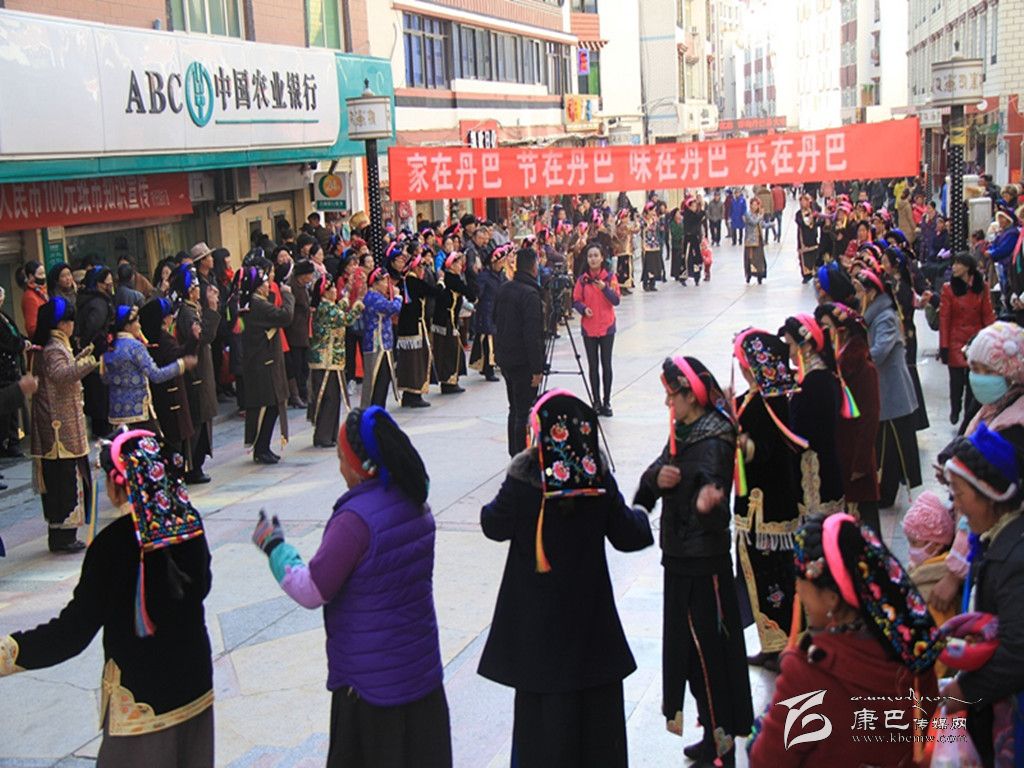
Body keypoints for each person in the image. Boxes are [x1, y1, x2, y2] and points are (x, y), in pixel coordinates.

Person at [251, 407, 452, 768]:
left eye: (342, 459)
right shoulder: (415, 501)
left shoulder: (355, 521)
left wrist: (276, 548)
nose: (340, 468)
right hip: (419, 675)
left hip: (370, 689)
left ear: (360, 466)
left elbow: (312, 590)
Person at [0, 429, 213, 765]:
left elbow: (71, 633)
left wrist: (10, 651)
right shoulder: (189, 524)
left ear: (118, 484)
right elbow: (200, 589)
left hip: (142, 701)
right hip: (195, 688)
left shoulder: (113, 544)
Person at [478, 390, 653, 767]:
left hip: (538, 638)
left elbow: (492, 524)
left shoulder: (524, 481)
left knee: (543, 736)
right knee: (596, 734)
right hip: (591, 631)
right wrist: (644, 506)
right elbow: (630, 535)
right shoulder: (598, 479)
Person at [633, 356, 753, 767]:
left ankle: (722, 746)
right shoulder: (683, 431)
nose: (668, 404)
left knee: (709, 656)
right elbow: (653, 477)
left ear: (691, 395)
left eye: (672, 396)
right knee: (690, 656)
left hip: (704, 567)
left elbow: (717, 504)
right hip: (680, 559)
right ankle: (710, 733)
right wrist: (656, 480)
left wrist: (707, 504)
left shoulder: (714, 439)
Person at [747, 513, 941, 767]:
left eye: (801, 579)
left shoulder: (809, 674)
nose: (798, 589)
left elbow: (767, 761)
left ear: (831, 598)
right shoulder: (912, 649)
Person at [938, 425, 1024, 766]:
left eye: (960, 495)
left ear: (989, 494)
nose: (957, 506)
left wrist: (967, 691)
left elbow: (1018, 650)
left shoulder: (1015, 559)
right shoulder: (995, 540)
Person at [731, 329, 802, 675]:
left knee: (773, 576)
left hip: (767, 508)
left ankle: (782, 643)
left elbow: (765, 451)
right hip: (755, 506)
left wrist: (740, 442)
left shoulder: (770, 403)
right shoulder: (754, 398)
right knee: (760, 577)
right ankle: (772, 642)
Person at [29, 297, 99, 552]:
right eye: (70, 321)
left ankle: (64, 534)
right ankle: (63, 536)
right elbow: (61, 375)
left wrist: (81, 356)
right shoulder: (54, 349)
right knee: (64, 482)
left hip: (64, 424)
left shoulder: (57, 346)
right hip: (59, 430)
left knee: (66, 480)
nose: (73, 325)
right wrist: (89, 362)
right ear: (61, 324)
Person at [814, 302, 882, 532]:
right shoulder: (834, 364)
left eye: (826, 327)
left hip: (855, 459)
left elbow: (870, 417)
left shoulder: (862, 367)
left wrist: (860, 464)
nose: (822, 333)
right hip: (839, 457)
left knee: (864, 529)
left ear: (841, 331)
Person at [780, 314, 845, 513]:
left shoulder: (816, 381)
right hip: (819, 467)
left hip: (818, 473)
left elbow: (807, 431)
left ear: (806, 345)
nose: (788, 352)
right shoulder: (813, 377)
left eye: (790, 345)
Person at [102, 304, 196, 433]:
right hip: (139, 413)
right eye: (137, 322)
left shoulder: (110, 347)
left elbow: (105, 378)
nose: (140, 326)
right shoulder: (136, 347)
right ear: (127, 326)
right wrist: (181, 364)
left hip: (117, 414)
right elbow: (156, 375)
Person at [240, 265, 295, 464]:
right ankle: (260, 448)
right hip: (263, 364)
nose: (268, 286)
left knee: (272, 405)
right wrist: (287, 295)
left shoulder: (258, 302)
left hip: (265, 361)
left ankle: (264, 447)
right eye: (264, 283)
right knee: (266, 406)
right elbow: (285, 316)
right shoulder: (258, 305)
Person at [494, 247, 545, 457]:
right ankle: (521, 457)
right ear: (533, 267)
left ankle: (514, 454)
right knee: (523, 411)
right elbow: (533, 335)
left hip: (506, 358)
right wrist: (537, 368)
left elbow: (495, 319)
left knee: (514, 408)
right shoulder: (530, 295)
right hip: (523, 362)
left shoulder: (504, 288)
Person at [172, 267, 219, 484]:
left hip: (203, 370)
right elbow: (204, 337)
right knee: (198, 421)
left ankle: (197, 464)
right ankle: (192, 466)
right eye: (195, 287)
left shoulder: (193, 308)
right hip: (196, 374)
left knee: (204, 419)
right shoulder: (187, 313)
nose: (198, 290)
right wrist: (212, 309)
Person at [941, 253, 996, 428]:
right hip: (955, 340)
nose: (954, 267)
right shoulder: (949, 289)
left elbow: (987, 314)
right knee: (956, 382)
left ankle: (968, 417)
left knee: (973, 383)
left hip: (975, 340)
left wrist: (993, 338)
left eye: (958, 264)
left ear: (967, 267)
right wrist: (944, 346)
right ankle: (955, 408)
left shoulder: (982, 287)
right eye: (954, 264)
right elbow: (944, 319)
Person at [139, 298, 195, 465]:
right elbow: (177, 356)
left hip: (165, 397)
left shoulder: (154, 337)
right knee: (174, 446)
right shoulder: (162, 339)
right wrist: (193, 340)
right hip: (170, 399)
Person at [308, 275, 360, 446]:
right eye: (333, 289)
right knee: (329, 397)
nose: (335, 291)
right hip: (327, 360)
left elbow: (339, 308)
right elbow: (346, 319)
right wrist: (358, 304)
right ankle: (323, 436)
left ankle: (329, 434)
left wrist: (347, 294)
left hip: (330, 360)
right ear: (326, 292)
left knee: (332, 397)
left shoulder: (326, 307)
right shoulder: (326, 309)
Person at [573, 244, 620, 417]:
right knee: (593, 366)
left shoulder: (610, 277)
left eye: (595, 255)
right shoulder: (582, 280)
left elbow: (616, 300)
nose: (593, 259)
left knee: (606, 364)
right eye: (590, 256)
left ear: (602, 258)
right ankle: (596, 402)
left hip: (607, 327)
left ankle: (607, 401)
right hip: (589, 328)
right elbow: (575, 300)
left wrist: (605, 289)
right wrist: (583, 309)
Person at [902, 490, 958, 630]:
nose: (910, 549)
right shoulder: (927, 570)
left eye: (914, 543)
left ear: (937, 545)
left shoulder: (935, 587)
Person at [76, 265, 115, 439]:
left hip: (92, 356)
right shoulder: (99, 303)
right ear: (99, 283)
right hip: (98, 356)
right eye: (107, 282)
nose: (110, 285)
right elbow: (92, 328)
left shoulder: (88, 299)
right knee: (100, 395)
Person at [469, 244, 508, 384]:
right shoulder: (484, 276)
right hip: (486, 311)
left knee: (496, 340)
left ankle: (492, 365)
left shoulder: (501, 276)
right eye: (500, 262)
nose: (501, 264)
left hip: (498, 311)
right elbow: (478, 292)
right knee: (488, 342)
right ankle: (488, 369)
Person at [0, 286, 29, 458]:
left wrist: (24, 340)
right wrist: (21, 344)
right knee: (6, 408)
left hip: (11, 368)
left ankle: (12, 441)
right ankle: (7, 442)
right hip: (3, 370)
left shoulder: (4, 316)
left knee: (12, 407)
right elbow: (7, 341)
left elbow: (15, 334)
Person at [285, 260, 316, 409]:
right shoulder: (292, 287)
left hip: (303, 330)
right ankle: (298, 394)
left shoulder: (303, 287)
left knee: (304, 365)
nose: (311, 277)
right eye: (310, 274)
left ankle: (304, 393)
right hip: (295, 332)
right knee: (297, 365)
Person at [17, 260, 48, 339]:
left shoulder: (44, 292)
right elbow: (32, 328)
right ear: (31, 276)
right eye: (40, 274)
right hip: (43, 339)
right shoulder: (29, 296)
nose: (43, 276)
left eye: (44, 273)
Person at [795, 194, 821, 283]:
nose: (803, 203)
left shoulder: (813, 211)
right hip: (803, 237)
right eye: (801, 201)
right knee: (804, 257)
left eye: (805, 201)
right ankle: (806, 274)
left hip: (812, 237)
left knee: (814, 254)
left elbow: (818, 217)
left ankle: (814, 271)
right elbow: (801, 223)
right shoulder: (799, 214)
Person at [743, 197, 767, 285]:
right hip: (751, 241)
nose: (755, 207)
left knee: (759, 259)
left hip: (759, 240)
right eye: (753, 205)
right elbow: (753, 222)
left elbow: (762, 225)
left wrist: (771, 225)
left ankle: (760, 276)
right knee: (750, 259)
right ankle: (749, 275)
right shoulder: (748, 214)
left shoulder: (758, 215)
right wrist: (761, 216)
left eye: (756, 205)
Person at [682, 197, 706, 286]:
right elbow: (698, 217)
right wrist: (702, 208)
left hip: (695, 238)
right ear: (689, 206)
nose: (695, 208)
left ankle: (697, 277)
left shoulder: (694, 214)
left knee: (697, 258)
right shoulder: (688, 214)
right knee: (686, 258)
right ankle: (683, 276)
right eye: (693, 206)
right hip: (689, 238)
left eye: (695, 206)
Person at [640, 204, 662, 292]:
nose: (653, 212)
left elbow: (658, 229)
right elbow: (642, 229)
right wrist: (648, 224)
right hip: (647, 244)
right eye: (652, 210)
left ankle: (653, 283)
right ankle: (646, 283)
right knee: (648, 265)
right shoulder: (643, 220)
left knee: (654, 265)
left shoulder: (655, 219)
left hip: (654, 244)